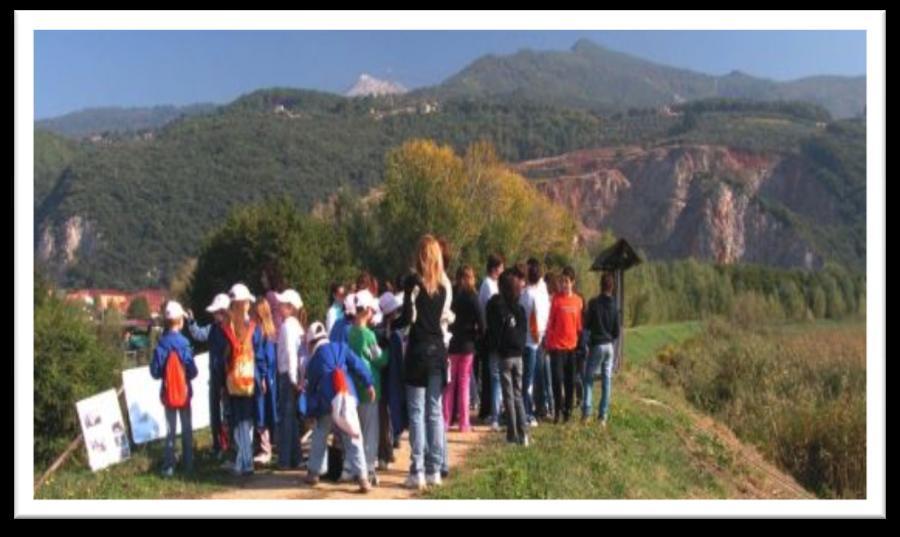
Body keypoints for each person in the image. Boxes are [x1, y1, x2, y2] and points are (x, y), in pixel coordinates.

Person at [397, 235, 449, 490]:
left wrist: (406, 293)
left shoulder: (414, 286)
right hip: (438, 352)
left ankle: (417, 470)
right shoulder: (443, 287)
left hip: (417, 352)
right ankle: (435, 470)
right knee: (434, 412)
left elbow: (407, 319)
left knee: (417, 414)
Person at [303, 322, 376, 493]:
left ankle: (314, 473)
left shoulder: (313, 363)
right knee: (353, 435)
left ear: (312, 343)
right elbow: (358, 364)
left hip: (327, 402)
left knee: (320, 434)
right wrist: (369, 383)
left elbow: (311, 392)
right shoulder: (341, 347)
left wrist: (310, 413)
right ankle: (363, 478)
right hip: (347, 396)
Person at [150, 301, 198, 476]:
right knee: (186, 429)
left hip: (168, 394)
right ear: (180, 321)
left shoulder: (161, 345)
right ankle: (188, 465)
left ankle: (169, 466)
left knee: (170, 430)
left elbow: (154, 373)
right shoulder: (185, 344)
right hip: (184, 394)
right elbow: (193, 372)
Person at [347, 289, 389, 486]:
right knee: (371, 432)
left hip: (354, 388)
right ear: (366, 312)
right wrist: (389, 352)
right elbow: (378, 359)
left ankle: (356, 468)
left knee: (357, 432)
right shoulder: (369, 335)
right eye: (372, 310)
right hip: (371, 388)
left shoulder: (350, 333)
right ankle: (369, 469)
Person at [486, 268, 529, 445]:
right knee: (518, 395)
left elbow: (494, 331)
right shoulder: (520, 309)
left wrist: (495, 347)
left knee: (508, 396)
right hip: (519, 356)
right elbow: (523, 332)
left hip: (504, 356)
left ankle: (512, 436)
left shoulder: (498, 307)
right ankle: (524, 434)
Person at [222, 283, 261, 476]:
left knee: (238, 422)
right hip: (249, 380)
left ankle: (243, 461)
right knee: (247, 421)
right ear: (245, 304)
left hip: (233, 381)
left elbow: (224, 356)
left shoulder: (227, 328)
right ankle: (247, 460)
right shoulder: (253, 328)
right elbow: (259, 354)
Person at [186, 293, 230, 458]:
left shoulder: (231, 329)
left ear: (224, 311)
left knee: (227, 412)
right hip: (214, 377)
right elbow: (198, 334)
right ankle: (218, 445)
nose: (214, 315)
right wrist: (191, 322)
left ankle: (228, 445)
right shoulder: (212, 328)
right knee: (214, 412)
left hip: (228, 378)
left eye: (217, 312)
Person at [445, 265, 483, 433]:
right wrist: (476, 336)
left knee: (450, 383)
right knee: (464, 383)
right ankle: (464, 422)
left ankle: (446, 420)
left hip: (453, 342)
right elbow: (482, 322)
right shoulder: (473, 297)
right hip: (467, 343)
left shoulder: (452, 295)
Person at [544, 266, 584, 424]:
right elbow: (550, 322)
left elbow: (579, 326)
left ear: (573, 282)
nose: (564, 284)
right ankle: (557, 411)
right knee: (556, 380)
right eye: (562, 281)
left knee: (569, 382)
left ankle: (568, 411)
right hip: (557, 348)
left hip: (571, 348)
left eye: (567, 281)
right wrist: (548, 341)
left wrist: (580, 345)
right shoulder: (556, 300)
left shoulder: (578, 301)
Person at [582, 272, 620, 426]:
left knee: (588, 379)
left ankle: (587, 414)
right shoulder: (615, 306)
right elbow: (616, 332)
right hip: (609, 347)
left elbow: (587, 325)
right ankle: (602, 417)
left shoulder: (593, 303)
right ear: (612, 287)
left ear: (601, 285)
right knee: (606, 381)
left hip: (597, 345)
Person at [274, 288, 305, 469]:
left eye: (282, 305)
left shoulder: (287, 326)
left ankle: (285, 460)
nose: (278, 307)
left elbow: (292, 355)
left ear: (291, 308)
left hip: (288, 376)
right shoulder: (296, 326)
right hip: (292, 376)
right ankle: (296, 457)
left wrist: (293, 379)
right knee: (291, 418)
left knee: (286, 418)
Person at [520, 258, 551, 426]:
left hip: (529, 340)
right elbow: (535, 318)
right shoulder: (533, 294)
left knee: (529, 378)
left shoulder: (526, 293)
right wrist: (539, 336)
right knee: (529, 380)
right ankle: (527, 413)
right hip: (533, 341)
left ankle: (532, 409)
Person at [377, 290, 404, 469]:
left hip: (389, 377)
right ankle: (384, 453)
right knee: (384, 417)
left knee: (388, 416)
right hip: (386, 377)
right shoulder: (381, 331)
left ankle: (388, 450)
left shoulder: (393, 328)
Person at [478, 253, 505, 430]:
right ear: (495, 268)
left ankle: (489, 409)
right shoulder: (488, 285)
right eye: (501, 267)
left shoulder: (491, 284)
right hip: (490, 333)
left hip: (491, 332)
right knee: (492, 375)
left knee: (492, 374)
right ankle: (490, 411)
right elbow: (490, 310)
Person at [252, 298, 278, 464]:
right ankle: (266, 446)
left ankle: (265, 448)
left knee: (261, 411)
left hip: (262, 377)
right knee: (268, 411)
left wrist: (261, 376)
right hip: (270, 377)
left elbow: (261, 357)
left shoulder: (259, 332)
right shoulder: (271, 332)